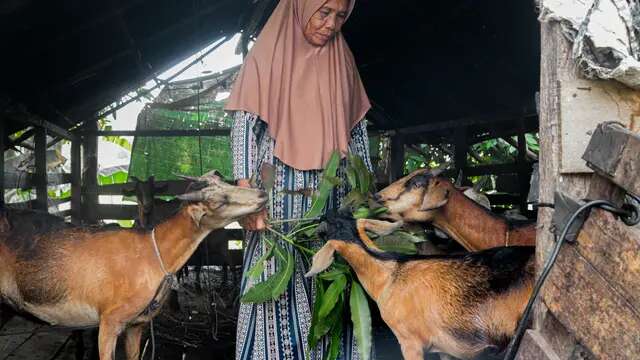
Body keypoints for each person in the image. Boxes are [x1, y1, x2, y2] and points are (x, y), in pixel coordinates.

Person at [225, 0, 372, 359]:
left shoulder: (343, 61)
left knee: (329, 284)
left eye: (340, 16)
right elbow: (245, 124)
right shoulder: (267, 55)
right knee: (276, 285)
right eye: (323, 12)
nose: (331, 24)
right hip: (277, 204)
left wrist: (365, 194)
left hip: (332, 199)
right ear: (301, 8)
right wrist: (246, 194)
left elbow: (356, 133)